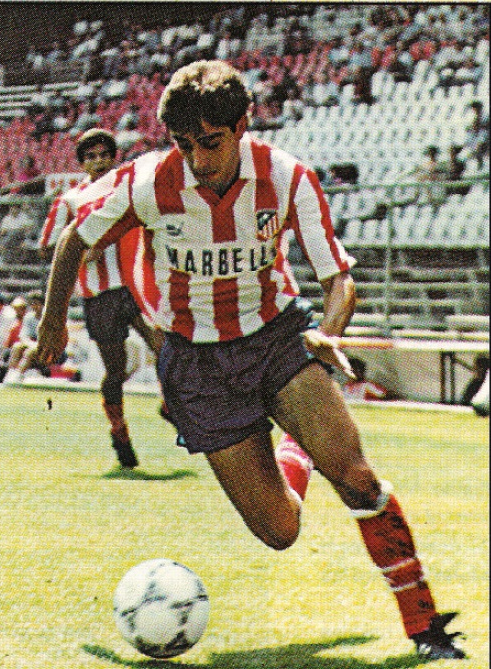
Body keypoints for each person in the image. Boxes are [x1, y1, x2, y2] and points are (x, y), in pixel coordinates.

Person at [35, 60, 465, 659]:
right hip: (196, 363)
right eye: (184, 144)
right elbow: (74, 240)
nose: (198, 158)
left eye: (210, 142)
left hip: (276, 340)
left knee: (357, 479)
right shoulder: (147, 183)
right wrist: (53, 320)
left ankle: (424, 625)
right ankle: (294, 448)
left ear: (242, 125)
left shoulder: (286, 177)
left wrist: (328, 334)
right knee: (280, 531)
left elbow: (338, 279)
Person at [38, 129, 160, 469]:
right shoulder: (70, 201)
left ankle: (172, 405)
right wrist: (81, 252)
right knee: (115, 370)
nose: (98, 162)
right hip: (99, 297)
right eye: (90, 157)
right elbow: (47, 244)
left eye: (103, 155)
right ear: (82, 163)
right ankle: (119, 431)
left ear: (113, 157)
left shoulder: (130, 192)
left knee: (164, 345)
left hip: (135, 289)